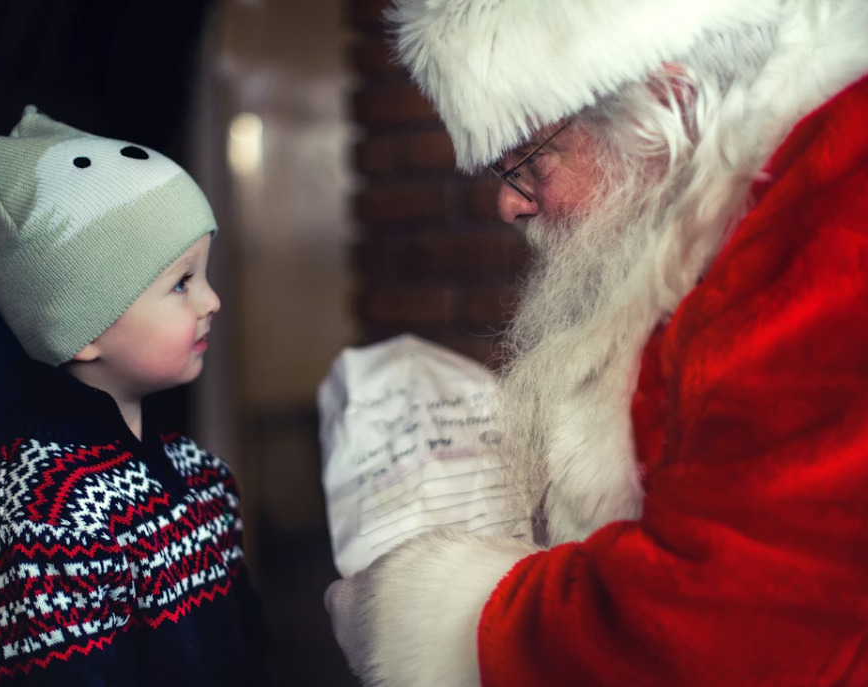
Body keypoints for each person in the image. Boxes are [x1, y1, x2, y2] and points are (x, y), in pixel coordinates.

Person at [324, 1, 868, 685]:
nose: (509, 203)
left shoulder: (836, 219)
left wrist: (434, 617)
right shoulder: (742, 207)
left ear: (663, 100)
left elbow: (729, 628)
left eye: (523, 159)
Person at [0, 106, 265, 685]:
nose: (211, 301)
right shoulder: (43, 526)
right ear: (84, 327)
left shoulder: (203, 478)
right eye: (181, 283)